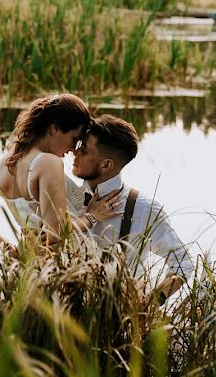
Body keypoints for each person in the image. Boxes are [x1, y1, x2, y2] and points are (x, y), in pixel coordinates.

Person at [0, 93, 119, 251]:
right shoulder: (49, 163)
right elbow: (55, 233)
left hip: (31, 268)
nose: (72, 149)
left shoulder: (0, 167)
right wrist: (92, 216)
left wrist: (5, 246)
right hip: (62, 267)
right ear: (54, 129)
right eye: (74, 139)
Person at [72, 114, 194, 302]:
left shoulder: (144, 209)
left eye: (84, 150)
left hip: (119, 321)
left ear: (106, 165)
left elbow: (183, 264)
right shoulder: (67, 197)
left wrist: (149, 305)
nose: (75, 152)